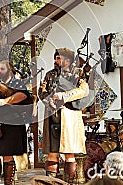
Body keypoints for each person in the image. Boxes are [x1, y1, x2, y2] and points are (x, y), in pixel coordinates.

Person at [39, 48, 89, 183]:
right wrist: (48, 99)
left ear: (67, 60)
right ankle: (51, 182)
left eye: (59, 58)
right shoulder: (50, 75)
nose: (56, 60)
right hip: (52, 114)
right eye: (55, 58)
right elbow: (41, 91)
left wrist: (64, 95)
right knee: (52, 152)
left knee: (69, 152)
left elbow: (84, 90)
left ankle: (68, 183)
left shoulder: (77, 74)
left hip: (69, 116)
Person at [0, 60, 33, 185]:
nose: (0, 71)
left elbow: (24, 96)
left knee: (7, 155)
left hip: (12, 122)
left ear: (9, 70)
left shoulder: (17, 83)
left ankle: (8, 183)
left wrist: (6, 101)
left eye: (2, 69)